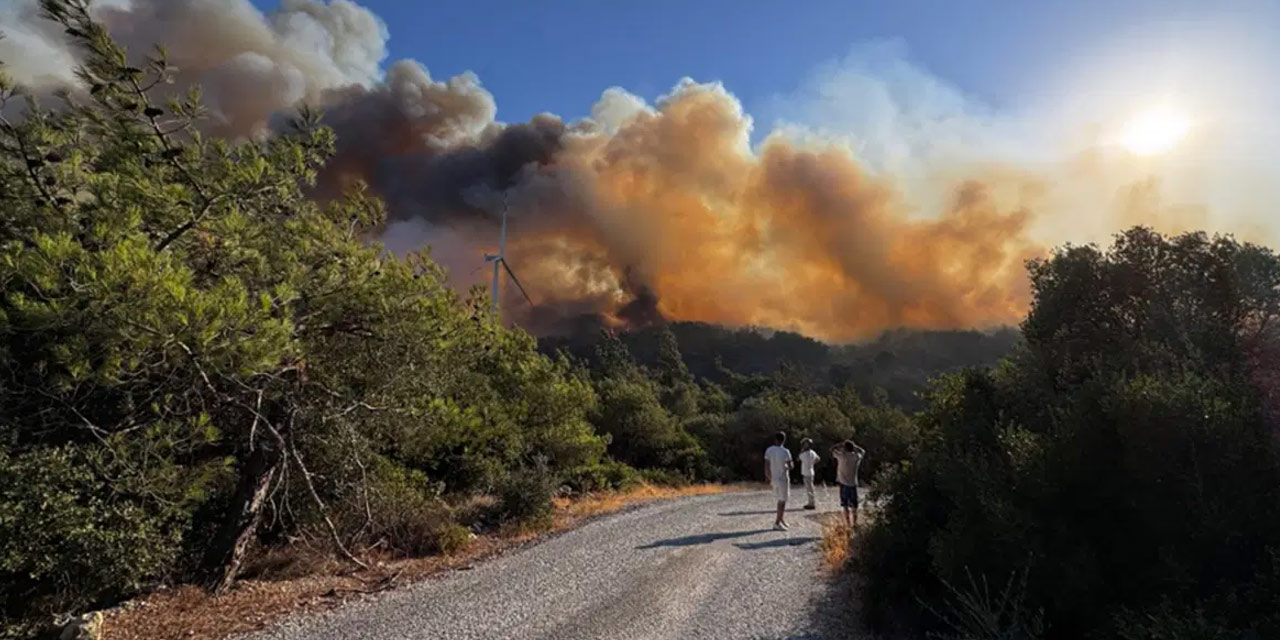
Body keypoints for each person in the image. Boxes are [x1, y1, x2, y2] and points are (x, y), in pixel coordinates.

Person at [831, 440, 866, 528]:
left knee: (845, 505)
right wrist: (855, 446)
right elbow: (863, 451)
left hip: (843, 484)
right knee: (854, 505)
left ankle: (848, 524)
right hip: (853, 483)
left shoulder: (841, 456)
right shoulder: (856, 456)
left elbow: (832, 449)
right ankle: (855, 523)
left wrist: (839, 444)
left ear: (845, 448)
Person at [764, 431, 793, 530]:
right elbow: (790, 466)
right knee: (783, 500)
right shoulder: (785, 451)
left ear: (775, 439)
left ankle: (781, 519)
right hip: (782, 478)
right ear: (784, 440)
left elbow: (767, 465)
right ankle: (777, 523)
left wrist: (768, 477)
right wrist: (787, 465)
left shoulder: (769, 450)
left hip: (774, 478)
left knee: (779, 499)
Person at [797, 439, 820, 510]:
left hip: (806, 472)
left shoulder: (804, 454)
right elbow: (818, 459)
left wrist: (801, 450)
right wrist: (812, 463)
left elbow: (798, 459)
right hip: (811, 471)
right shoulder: (813, 452)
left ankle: (811, 503)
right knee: (811, 487)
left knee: (809, 488)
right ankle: (811, 502)